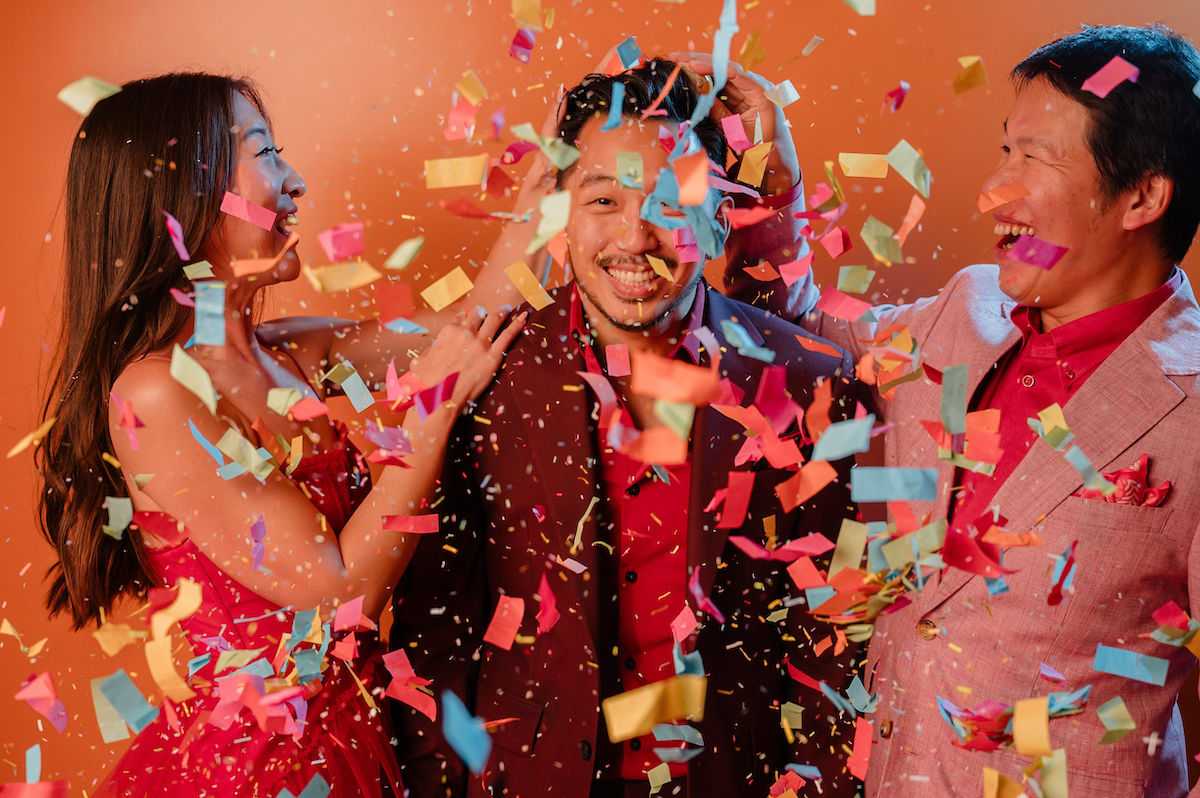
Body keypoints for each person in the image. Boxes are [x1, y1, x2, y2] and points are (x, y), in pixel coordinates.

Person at [710, 25, 1200, 796]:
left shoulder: (1193, 410)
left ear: (1142, 195)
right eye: (1006, 151)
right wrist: (772, 167)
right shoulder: (963, 309)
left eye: (1033, 158)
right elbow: (785, 328)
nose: (993, 191)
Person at [36, 72, 524, 796]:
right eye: (265, 153)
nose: (294, 181)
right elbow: (333, 595)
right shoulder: (155, 392)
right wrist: (437, 404)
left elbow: (478, 319)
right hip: (252, 775)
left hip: (350, 743)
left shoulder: (293, 352)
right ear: (187, 193)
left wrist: (567, 176)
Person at [390, 58, 864, 797]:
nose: (636, 235)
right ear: (560, 211)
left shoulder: (810, 379)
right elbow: (435, 638)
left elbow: (835, 643)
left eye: (672, 201)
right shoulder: (488, 380)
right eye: (604, 199)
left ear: (718, 214)